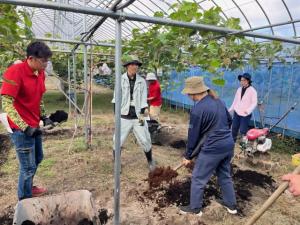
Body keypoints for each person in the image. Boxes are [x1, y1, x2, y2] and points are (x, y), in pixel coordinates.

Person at [1, 41, 53, 200]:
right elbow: (6, 103)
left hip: (33, 123)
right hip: (19, 128)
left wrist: (44, 116)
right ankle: (24, 200)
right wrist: (24, 127)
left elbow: (39, 97)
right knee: (28, 166)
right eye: (43, 60)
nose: (46, 64)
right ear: (31, 58)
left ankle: (28, 186)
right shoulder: (15, 72)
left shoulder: (40, 72)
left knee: (38, 158)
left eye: (47, 60)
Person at [179, 76, 237, 216]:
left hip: (213, 148)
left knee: (198, 178)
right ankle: (231, 205)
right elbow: (229, 121)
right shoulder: (219, 101)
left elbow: (193, 136)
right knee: (224, 175)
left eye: (188, 93)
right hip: (228, 144)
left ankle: (195, 209)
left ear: (193, 93)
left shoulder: (198, 109)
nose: (188, 96)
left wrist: (188, 155)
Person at [112, 55, 156, 171]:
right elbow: (116, 99)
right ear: (127, 66)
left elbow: (143, 100)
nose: (135, 67)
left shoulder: (142, 81)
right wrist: (115, 116)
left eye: (136, 65)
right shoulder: (120, 79)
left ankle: (150, 160)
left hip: (139, 115)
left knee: (145, 138)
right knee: (117, 140)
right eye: (132, 64)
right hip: (123, 115)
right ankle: (117, 164)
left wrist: (145, 117)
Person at [229, 73, 257, 142]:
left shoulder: (252, 91)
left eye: (243, 80)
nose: (241, 82)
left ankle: (244, 142)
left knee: (243, 130)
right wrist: (231, 109)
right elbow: (235, 100)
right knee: (234, 127)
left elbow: (254, 103)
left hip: (245, 114)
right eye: (241, 80)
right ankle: (232, 141)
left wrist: (248, 110)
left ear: (247, 81)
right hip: (237, 111)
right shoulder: (239, 89)